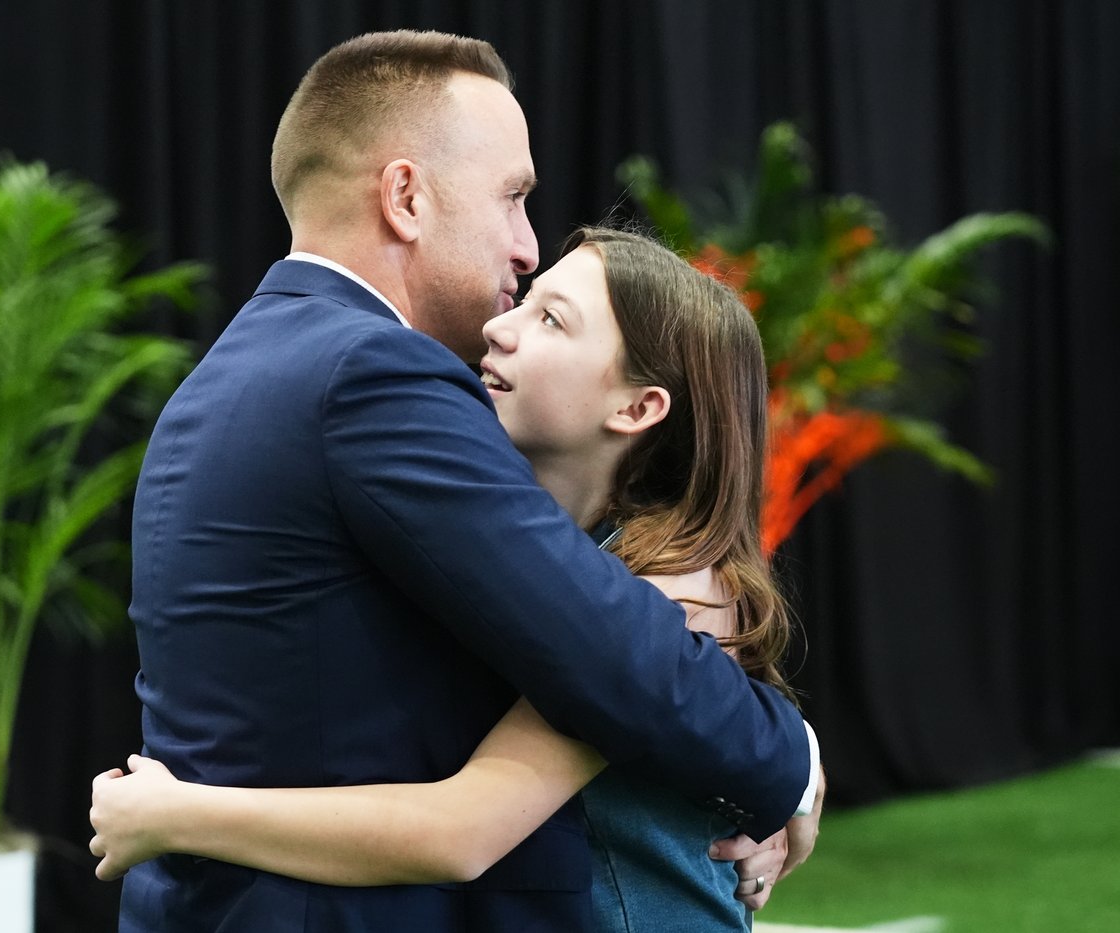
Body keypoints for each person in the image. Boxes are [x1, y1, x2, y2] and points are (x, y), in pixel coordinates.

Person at [120, 29, 818, 932]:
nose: (526, 247)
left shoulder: (230, 370)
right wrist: (790, 763)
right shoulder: (373, 372)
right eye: (514, 197)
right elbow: (612, 655)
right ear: (405, 197)